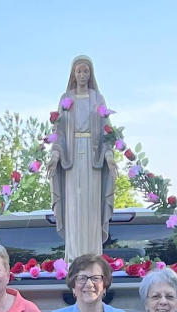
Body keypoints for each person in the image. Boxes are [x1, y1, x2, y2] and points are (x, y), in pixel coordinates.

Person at [48, 55, 119, 260]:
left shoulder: (98, 98)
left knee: (91, 209)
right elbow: (58, 130)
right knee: (73, 208)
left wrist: (109, 156)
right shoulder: (66, 98)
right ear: (73, 73)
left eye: (85, 71)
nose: (82, 75)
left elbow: (107, 130)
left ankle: (93, 259)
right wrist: (54, 156)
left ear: (91, 73)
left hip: (93, 159)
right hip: (70, 161)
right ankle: (74, 260)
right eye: (78, 71)